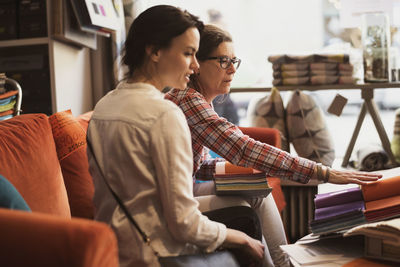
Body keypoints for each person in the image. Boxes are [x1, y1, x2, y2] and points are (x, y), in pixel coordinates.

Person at [165, 24, 382, 267]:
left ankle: (283, 262)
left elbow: (197, 163)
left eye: (234, 60)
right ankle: (282, 264)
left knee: (256, 186)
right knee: (257, 195)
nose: (232, 69)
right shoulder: (189, 100)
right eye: (223, 61)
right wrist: (324, 173)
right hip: (175, 199)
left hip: (185, 187)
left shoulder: (192, 99)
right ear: (197, 64)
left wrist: (235, 171)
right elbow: (243, 149)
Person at [86, 5, 266, 267]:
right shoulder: (164, 114)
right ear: (155, 51)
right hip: (158, 255)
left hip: (114, 249)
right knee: (245, 227)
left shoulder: (103, 106)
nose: (194, 66)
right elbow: (184, 224)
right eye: (187, 53)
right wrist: (239, 238)